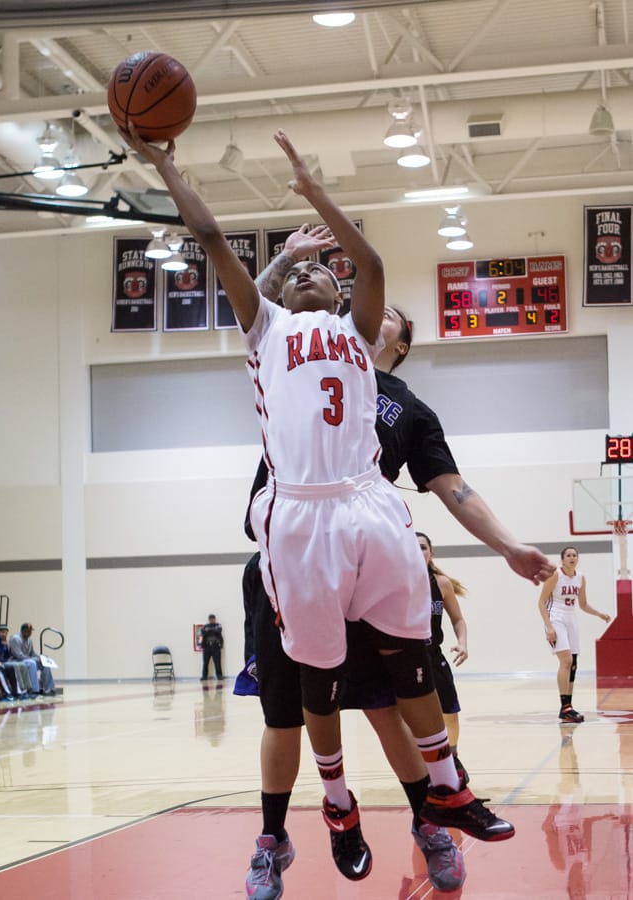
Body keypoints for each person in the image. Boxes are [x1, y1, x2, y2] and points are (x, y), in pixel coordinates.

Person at [121, 123, 553, 890]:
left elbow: (375, 264)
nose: (316, 273)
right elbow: (212, 233)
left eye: (328, 269)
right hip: (299, 517)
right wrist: (165, 164)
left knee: (408, 670)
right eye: (301, 272)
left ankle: (446, 790)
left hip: (370, 507)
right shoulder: (266, 329)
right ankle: (334, 807)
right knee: (310, 685)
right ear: (280, 292)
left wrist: (320, 194)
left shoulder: (361, 337)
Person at [240, 222, 554, 896]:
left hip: (370, 555)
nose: (363, 307)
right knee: (285, 711)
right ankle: (275, 837)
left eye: (382, 312)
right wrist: (286, 262)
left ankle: (430, 820)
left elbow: (453, 488)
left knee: (389, 707)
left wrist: (507, 546)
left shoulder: (410, 410)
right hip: (296, 552)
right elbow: (256, 312)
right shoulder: (292, 357)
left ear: (394, 338)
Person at [538, 546, 611, 723]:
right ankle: (565, 707)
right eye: (568, 555)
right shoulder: (556, 575)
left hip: (571, 619)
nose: (572, 558)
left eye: (574, 555)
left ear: (577, 559)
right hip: (555, 617)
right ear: (562, 559)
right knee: (566, 660)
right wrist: (548, 627)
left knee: (573, 664)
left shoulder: (580, 577)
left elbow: (583, 604)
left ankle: (567, 707)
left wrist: (600, 614)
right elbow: (541, 603)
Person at [416, 532, 468, 772]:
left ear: (431, 553)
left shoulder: (441, 583)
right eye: (412, 547)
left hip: (433, 654)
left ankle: (453, 758)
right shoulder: (394, 581)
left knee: (450, 711)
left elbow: (458, 619)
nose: (418, 551)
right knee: (410, 717)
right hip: (406, 657)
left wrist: (462, 642)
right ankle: (421, 765)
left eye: (423, 547)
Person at [9, 622, 56, 696]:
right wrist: (35, 659)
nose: (29, 633)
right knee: (32, 663)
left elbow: (32, 654)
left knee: (45, 663)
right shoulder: (16, 638)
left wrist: (40, 657)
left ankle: (49, 688)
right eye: (27, 631)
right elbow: (18, 655)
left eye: (30, 631)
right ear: (22, 631)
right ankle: (34, 689)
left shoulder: (29, 640)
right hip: (17, 661)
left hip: (28, 660)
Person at [0, 624, 33, 700]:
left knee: (22, 665)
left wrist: (8, 646)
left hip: (5, 661)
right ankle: (20, 690)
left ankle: (27, 689)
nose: (4, 634)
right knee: (15, 665)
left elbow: (8, 655)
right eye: (2, 632)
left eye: (6, 633)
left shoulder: (4, 641)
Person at [200, 615, 224, 681]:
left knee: (217, 663)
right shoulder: (205, 626)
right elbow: (203, 632)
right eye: (210, 619)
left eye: (213, 619)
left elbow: (218, 631)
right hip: (207, 647)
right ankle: (204, 676)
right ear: (209, 619)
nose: (211, 620)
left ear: (214, 619)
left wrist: (209, 630)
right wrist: (211, 631)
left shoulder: (218, 625)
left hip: (216, 646)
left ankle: (219, 676)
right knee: (205, 663)